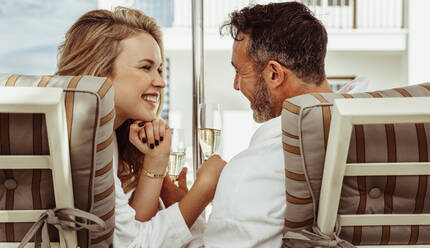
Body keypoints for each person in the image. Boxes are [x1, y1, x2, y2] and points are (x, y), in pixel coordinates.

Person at [56, 7, 226, 248]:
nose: (161, 81)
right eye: (145, 67)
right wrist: (204, 189)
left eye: (159, 69)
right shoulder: (85, 140)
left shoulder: (106, 135)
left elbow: (129, 231)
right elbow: (134, 245)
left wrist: (156, 162)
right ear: (102, 72)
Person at [203, 2, 333, 247]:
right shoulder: (370, 128)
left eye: (240, 73)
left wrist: (194, 210)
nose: (235, 85)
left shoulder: (251, 171)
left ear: (274, 74)